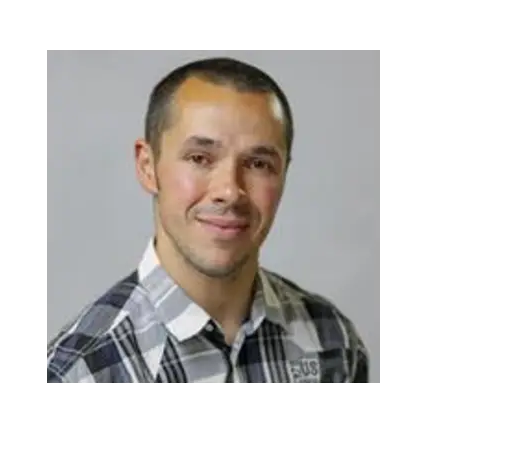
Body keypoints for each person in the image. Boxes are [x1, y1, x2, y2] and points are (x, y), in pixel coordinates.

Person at [46, 57, 369, 384]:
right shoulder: (82, 372)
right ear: (147, 167)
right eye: (200, 158)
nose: (229, 191)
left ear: (284, 172)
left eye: (258, 164)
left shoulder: (332, 341)